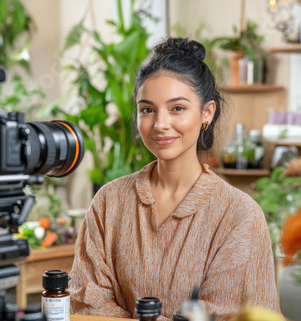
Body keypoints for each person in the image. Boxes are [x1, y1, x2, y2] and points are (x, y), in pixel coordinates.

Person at [69, 37, 280, 320]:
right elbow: (87, 306)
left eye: (177, 108)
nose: (160, 124)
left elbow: (227, 315)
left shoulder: (239, 215)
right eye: (147, 110)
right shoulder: (109, 201)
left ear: (207, 113)